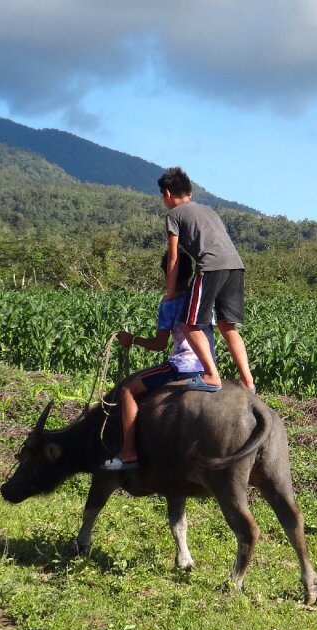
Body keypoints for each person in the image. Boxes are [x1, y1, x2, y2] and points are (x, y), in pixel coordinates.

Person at [101, 253, 215, 471]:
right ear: (190, 273)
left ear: (167, 274)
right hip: (207, 366)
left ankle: (128, 452)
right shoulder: (201, 299)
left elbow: (159, 344)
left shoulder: (170, 303)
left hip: (182, 366)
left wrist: (132, 339)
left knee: (127, 390)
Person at [158, 166, 255, 392]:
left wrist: (170, 293)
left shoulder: (173, 215)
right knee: (227, 326)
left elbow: (173, 258)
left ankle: (212, 375)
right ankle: (249, 383)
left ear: (167, 194)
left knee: (189, 324)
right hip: (236, 266)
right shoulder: (207, 209)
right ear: (189, 193)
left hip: (211, 267)